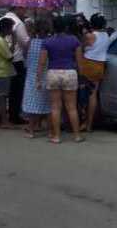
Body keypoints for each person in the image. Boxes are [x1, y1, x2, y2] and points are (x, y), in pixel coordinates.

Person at [37, 16, 84, 144]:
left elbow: (42, 62)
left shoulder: (47, 42)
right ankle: (77, 136)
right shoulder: (74, 40)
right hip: (70, 73)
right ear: (66, 27)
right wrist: (82, 78)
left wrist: (38, 79)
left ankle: (56, 136)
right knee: (72, 107)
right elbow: (80, 62)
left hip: (53, 73)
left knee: (55, 107)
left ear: (53, 27)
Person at [0, 6, 30, 126]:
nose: (25, 12)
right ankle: (13, 116)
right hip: (15, 60)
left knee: (1, 92)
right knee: (15, 91)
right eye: (24, 9)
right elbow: (25, 42)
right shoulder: (18, 23)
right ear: (18, 9)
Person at [79, 13, 110, 132]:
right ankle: (89, 124)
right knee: (93, 95)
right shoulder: (106, 35)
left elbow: (81, 48)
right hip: (100, 65)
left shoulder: (90, 36)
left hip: (88, 64)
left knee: (83, 94)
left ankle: (83, 121)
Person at [22, 18, 51, 138]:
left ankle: (31, 129)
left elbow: (25, 56)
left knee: (32, 103)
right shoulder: (49, 42)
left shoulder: (31, 42)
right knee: (47, 103)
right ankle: (50, 130)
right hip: (46, 74)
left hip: (32, 75)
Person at [0, 17, 18, 130]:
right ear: (6, 29)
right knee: (1, 97)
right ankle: (4, 121)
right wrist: (14, 42)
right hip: (2, 72)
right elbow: (9, 57)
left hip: (1, 71)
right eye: (11, 28)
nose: (12, 30)